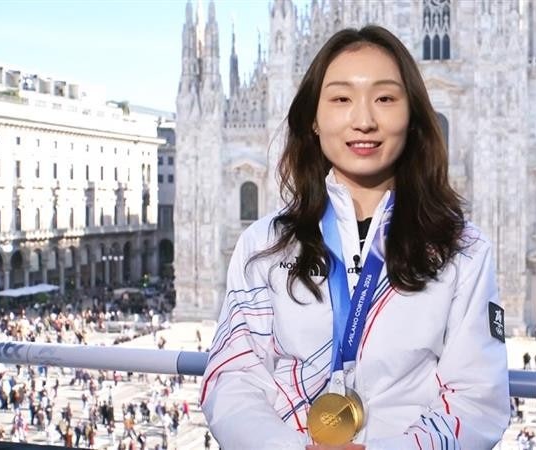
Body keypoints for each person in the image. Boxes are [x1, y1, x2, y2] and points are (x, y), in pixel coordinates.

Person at [200, 25, 510, 450]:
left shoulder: (461, 250)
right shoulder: (264, 245)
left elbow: (478, 400)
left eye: (385, 98)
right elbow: (232, 376)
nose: (363, 120)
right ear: (313, 118)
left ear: (414, 117)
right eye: (341, 98)